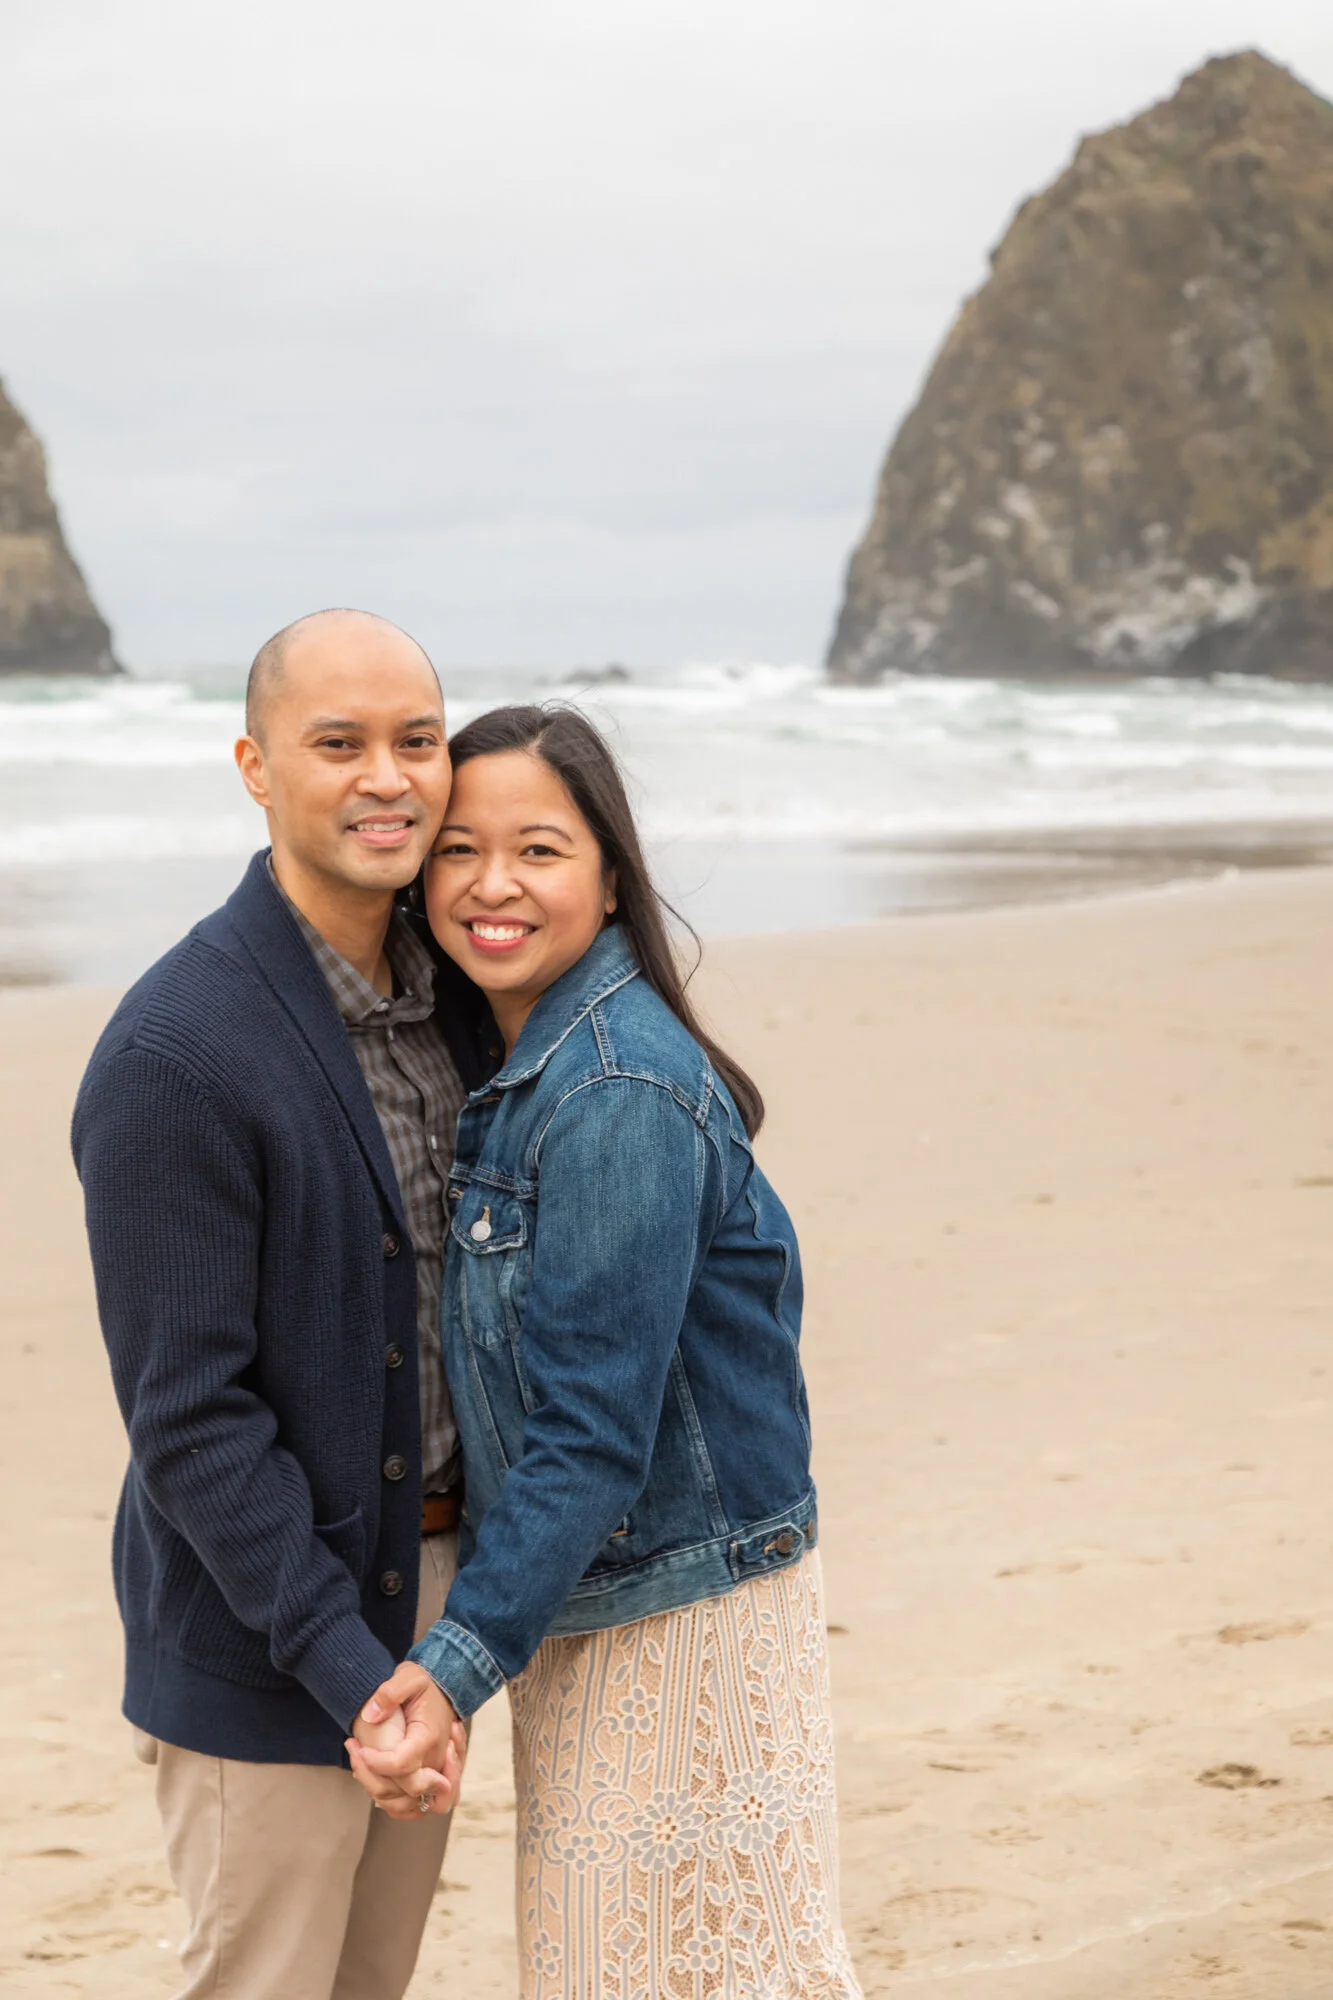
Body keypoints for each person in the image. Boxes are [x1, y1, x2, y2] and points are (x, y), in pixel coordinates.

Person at [350, 705, 862, 1998]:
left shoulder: (610, 1091)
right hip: (609, 1598)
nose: (492, 885)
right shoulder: (535, 1060)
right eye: (459, 849)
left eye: (539, 849)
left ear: (610, 874)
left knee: (689, 1970)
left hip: (681, 1611)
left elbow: (592, 1434)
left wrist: (452, 1668)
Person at [72, 609, 484, 2000]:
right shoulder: (177, 1051)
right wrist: (342, 1665)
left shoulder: (456, 1002)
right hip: (267, 1634)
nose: (389, 778)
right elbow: (188, 1420)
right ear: (255, 766)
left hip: (426, 1601)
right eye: (339, 743)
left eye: (417, 741)